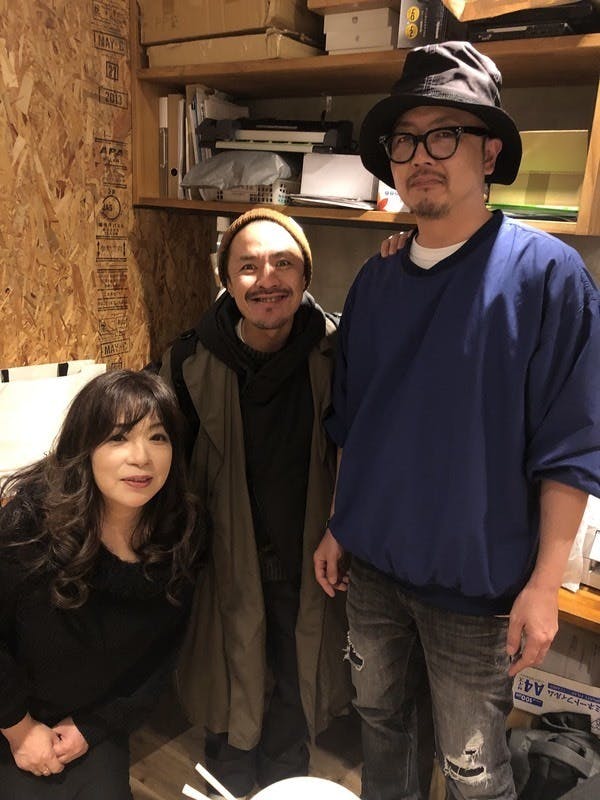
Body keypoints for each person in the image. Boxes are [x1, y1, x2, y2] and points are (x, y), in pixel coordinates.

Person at [314, 41, 600, 800]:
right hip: (374, 572)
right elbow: (354, 422)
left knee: (474, 772)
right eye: (404, 140)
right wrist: (342, 523)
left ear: (489, 151)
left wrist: (545, 586)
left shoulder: (546, 276)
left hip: (476, 593)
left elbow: (570, 446)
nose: (420, 157)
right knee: (382, 731)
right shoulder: (375, 281)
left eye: (444, 135)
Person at [159, 207, 353, 800]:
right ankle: (229, 765)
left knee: (299, 662)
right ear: (226, 278)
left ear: (305, 275)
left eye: (283, 263)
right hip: (226, 550)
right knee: (230, 657)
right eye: (248, 266)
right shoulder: (189, 361)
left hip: (309, 550)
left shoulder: (337, 354)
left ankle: (286, 768)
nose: (267, 279)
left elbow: (361, 444)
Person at [0, 369, 205, 800]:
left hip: (92, 721)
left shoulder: (180, 535)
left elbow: (160, 659)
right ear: (84, 447)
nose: (142, 457)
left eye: (158, 437)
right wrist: (19, 730)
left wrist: (92, 727)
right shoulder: (29, 526)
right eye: (118, 437)